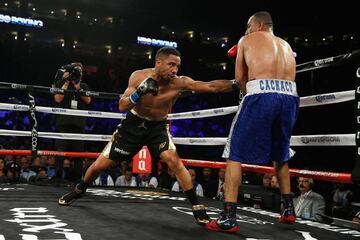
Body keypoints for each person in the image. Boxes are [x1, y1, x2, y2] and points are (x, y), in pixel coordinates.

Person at [58, 47, 237, 225]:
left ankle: (197, 205)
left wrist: (238, 83)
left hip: (157, 128)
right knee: (99, 165)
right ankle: (80, 189)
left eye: (177, 66)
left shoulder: (179, 83)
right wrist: (139, 93)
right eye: (171, 65)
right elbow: (122, 106)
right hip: (132, 126)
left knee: (173, 160)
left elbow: (211, 86)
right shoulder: (138, 76)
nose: (174, 70)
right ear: (158, 63)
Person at [206, 11, 299, 232]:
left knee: (234, 153)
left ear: (257, 25)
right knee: (281, 152)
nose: (246, 31)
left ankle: (228, 217)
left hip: (261, 94)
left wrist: (249, 92)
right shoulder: (286, 45)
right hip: (290, 97)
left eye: (248, 26)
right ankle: (287, 209)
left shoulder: (247, 39)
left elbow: (239, 79)